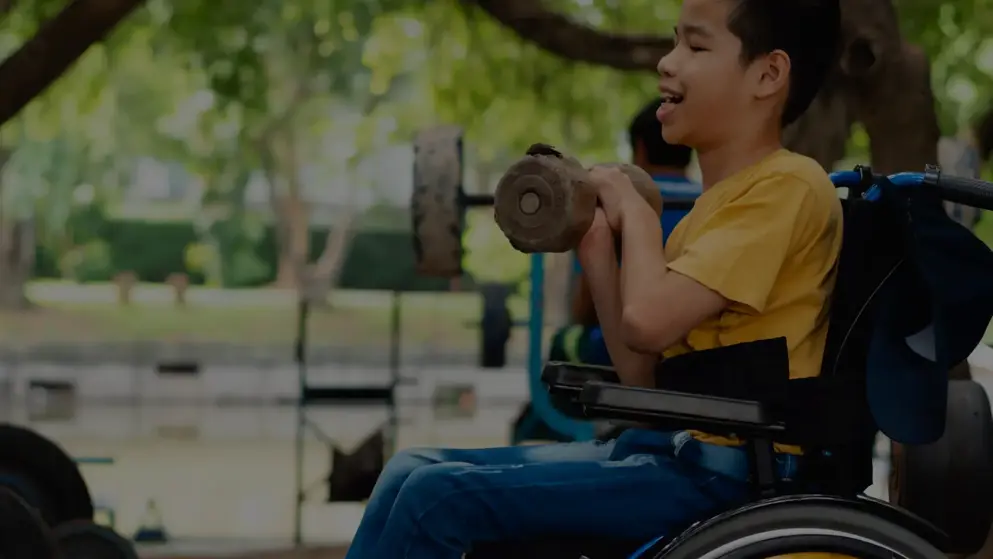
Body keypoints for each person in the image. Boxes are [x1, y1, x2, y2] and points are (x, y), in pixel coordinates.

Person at [344, 1, 844, 557]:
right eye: (674, 41)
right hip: (672, 453)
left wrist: (637, 214)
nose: (667, 63)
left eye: (696, 47)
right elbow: (641, 373)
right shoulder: (716, 206)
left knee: (436, 499)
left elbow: (648, 321)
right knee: (409, 470)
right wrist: (599, 246)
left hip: (727, 475)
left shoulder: (787, 188)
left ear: (768, 75)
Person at [549, 100, 699, 366]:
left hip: (624, 350)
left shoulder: (613, 207)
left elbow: (586, 310)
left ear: (639, 149)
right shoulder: (714, 204)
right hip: (698, 350)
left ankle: (554, 409)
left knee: (564, 342)